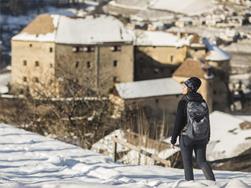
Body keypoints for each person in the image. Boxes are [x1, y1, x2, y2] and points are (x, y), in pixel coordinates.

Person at [171, 77, 215, 181]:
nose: (182, 87)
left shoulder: (183, 102)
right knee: (202, 161)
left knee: (188, 164)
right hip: (202, 137)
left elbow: (178, 122)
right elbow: (207, 121)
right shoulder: (202, 101)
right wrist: (207, 136)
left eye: (185, 86)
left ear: (190, 88)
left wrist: (173, 139)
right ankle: (213, 184)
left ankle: (190, 185)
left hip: (187, 137)